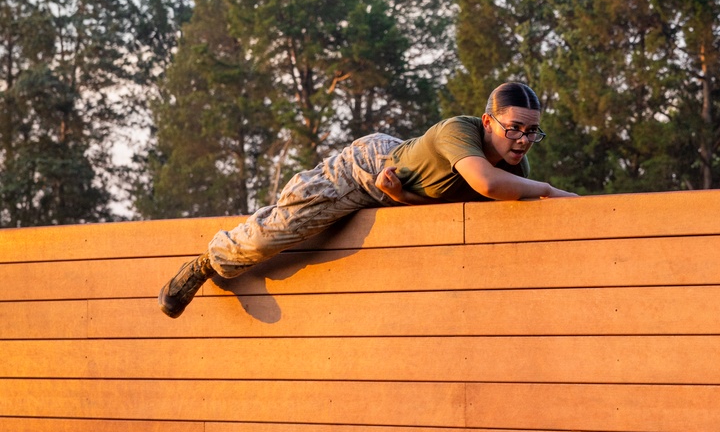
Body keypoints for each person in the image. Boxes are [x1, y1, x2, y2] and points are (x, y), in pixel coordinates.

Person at [158, 81, 577, 317]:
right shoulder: (459, 133)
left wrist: (400, 197)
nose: (523, 141)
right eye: (514, 129)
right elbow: (484, 185)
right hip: (364, 168)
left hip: (394, 189)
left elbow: (449, 212)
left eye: (532, 132)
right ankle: (205, 263)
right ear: (488, 121)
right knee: (276, 234)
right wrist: (552, 192)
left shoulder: (513, 172)